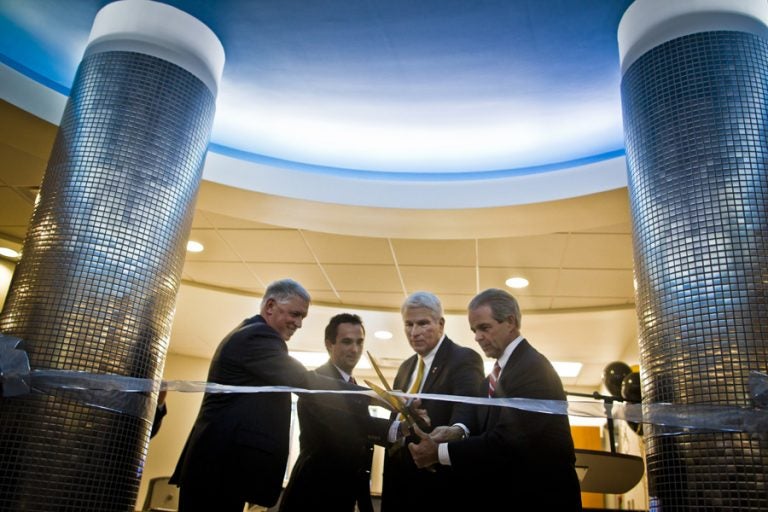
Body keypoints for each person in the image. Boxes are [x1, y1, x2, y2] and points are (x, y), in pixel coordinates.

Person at [169, 279, 372, 512]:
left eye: (302, 317)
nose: (299, 324)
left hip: (222, 470)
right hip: (217, 469)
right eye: (295, 314)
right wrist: (373, 396)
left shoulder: (253, 334)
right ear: (270, 307)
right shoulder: (258, 337)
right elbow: (304, 381)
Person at [408, 288, 582, 510]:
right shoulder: (495, 375)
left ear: (510, 322)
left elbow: (508, 443)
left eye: (484, 328)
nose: (477, 337)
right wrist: (458, 431)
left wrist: (439, 452)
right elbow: (481, 421)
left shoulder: (533, 369)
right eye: (474, 330)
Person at [381, 291, 485, 512]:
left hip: (436, 484)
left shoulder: (463, 359)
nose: (414, 332)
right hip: (397, 480)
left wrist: (456, 430)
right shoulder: (406, 367)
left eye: (423, 323)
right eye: (408, 324)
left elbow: (467, 408)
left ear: (441, 324)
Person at [279, 313, 390, 512]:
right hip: (312, 495)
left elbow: (359, 447)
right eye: (347, 342)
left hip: (342, 495)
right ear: (329, 344)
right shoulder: (316, 381)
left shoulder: (353, 385)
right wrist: (397, 429)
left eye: (359, 342)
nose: (355, 349)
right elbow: (350, 427)